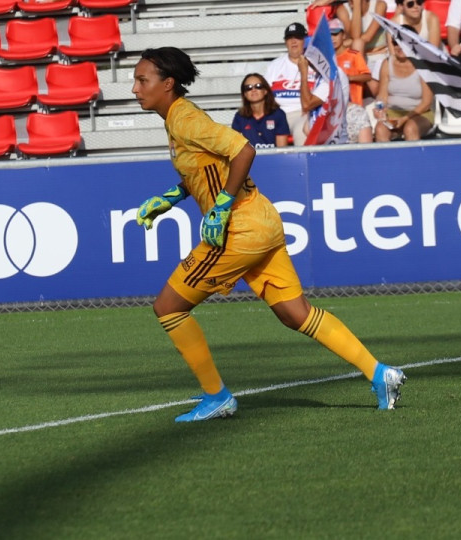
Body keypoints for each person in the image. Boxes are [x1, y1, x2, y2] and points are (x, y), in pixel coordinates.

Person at [131, 46, 405, 422]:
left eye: (142, 80)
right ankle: (379, 373)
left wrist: (223, 203)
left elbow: (243, 150)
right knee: (296, 314)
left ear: (168, 83)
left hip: (239, 229)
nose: (134, 88)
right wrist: (170, 197)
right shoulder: (179, 118)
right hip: (262, 221)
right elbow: (207, 166)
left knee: (168, 307)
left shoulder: (184, 119)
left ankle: (217, 396)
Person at [265, 23, 330, 145]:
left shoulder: (316, 65)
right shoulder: (275, 65)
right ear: (285, 42)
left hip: (302, 113)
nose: (293, 41)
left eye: (298, 37)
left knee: (302, 130)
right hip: (277, 113)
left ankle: (304, 163)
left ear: (305, 41)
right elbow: (264, 92)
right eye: (290, 38)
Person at [374, 26, 435, 141]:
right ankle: (385, 159)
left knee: (410, 128)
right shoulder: (387, 64)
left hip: (419, 114)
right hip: (393, 113)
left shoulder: (423, 66)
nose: (400, 47)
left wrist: (405, 118)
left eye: (404, 43)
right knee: (380, 129)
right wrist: (379, 109)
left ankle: (413, 159)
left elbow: (426, 103)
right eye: (396, 43)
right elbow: (382, 96)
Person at [332, 18, 375, 142]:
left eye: (336, 34)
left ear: (343, 35)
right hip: (335, 111)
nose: (333, 38)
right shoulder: (326, 59)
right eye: (330, 35)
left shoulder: (354, 55)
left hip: (354, 108)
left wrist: (347, 78)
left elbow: (367, 76)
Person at [230, 74, 290, 148]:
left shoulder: (278, 115)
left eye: (258, 86)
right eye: (248, 88)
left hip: (273, 158)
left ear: (265, 91)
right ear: (244, 94)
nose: (253, 90)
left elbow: (282, 150)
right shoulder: (239, 116)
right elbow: (235, 147)